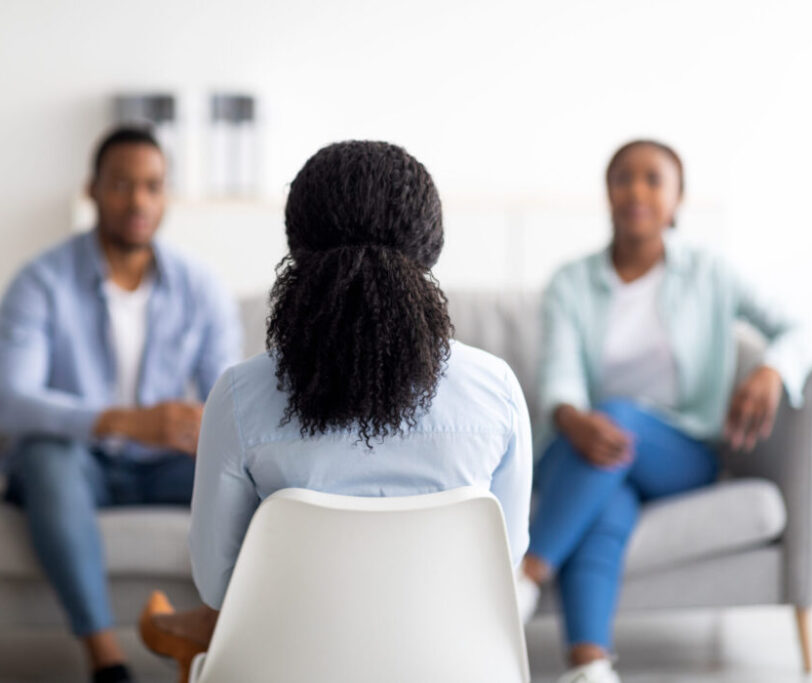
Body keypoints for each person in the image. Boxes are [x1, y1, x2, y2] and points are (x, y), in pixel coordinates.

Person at [135, 140, 533, 680]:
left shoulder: (239, 397)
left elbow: (218, 583)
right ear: (431, 247)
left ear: (297, 246)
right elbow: (501, 564)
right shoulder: (497, 391)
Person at [517, 140, 812, 683]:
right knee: (608, 509)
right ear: (607, 194)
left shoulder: (712, 272)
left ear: (677, 200)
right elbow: (559, 372)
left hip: (682, 451)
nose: (636, 190)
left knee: (619, 419)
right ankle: (589, 665)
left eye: (653, 179)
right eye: (623, 178)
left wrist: (771, 369)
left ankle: (527, 575)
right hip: (588, 447)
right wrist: (569, 417)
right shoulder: (571, 281)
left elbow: (796, 328)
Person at [0, 126, 242, 683]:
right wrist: (124, 422)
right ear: (93, 190)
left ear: (166, 194)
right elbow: (8, 402)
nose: (139, 201)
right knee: (43, 453)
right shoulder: (41, 282)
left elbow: (231, 397)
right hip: (78, 464)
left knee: (252, 475)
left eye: (153, 186)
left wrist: (206, 427)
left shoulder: (202, 287)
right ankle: (107, 661)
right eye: (123, 185)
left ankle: (230, 643)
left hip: (166, 466)